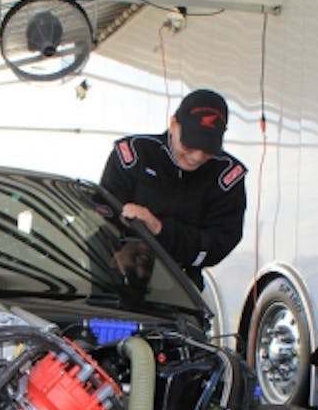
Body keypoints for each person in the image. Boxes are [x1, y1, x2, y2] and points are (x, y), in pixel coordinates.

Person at [100, 89, 247, 289]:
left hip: (179, 289)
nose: (196, 157)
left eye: (208, 151)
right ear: (173, 125)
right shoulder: (134, 155)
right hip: (113, 278)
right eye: (189, 145)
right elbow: (100, 217)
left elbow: (218, 244)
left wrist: (160, 229)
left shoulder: (227, 176)